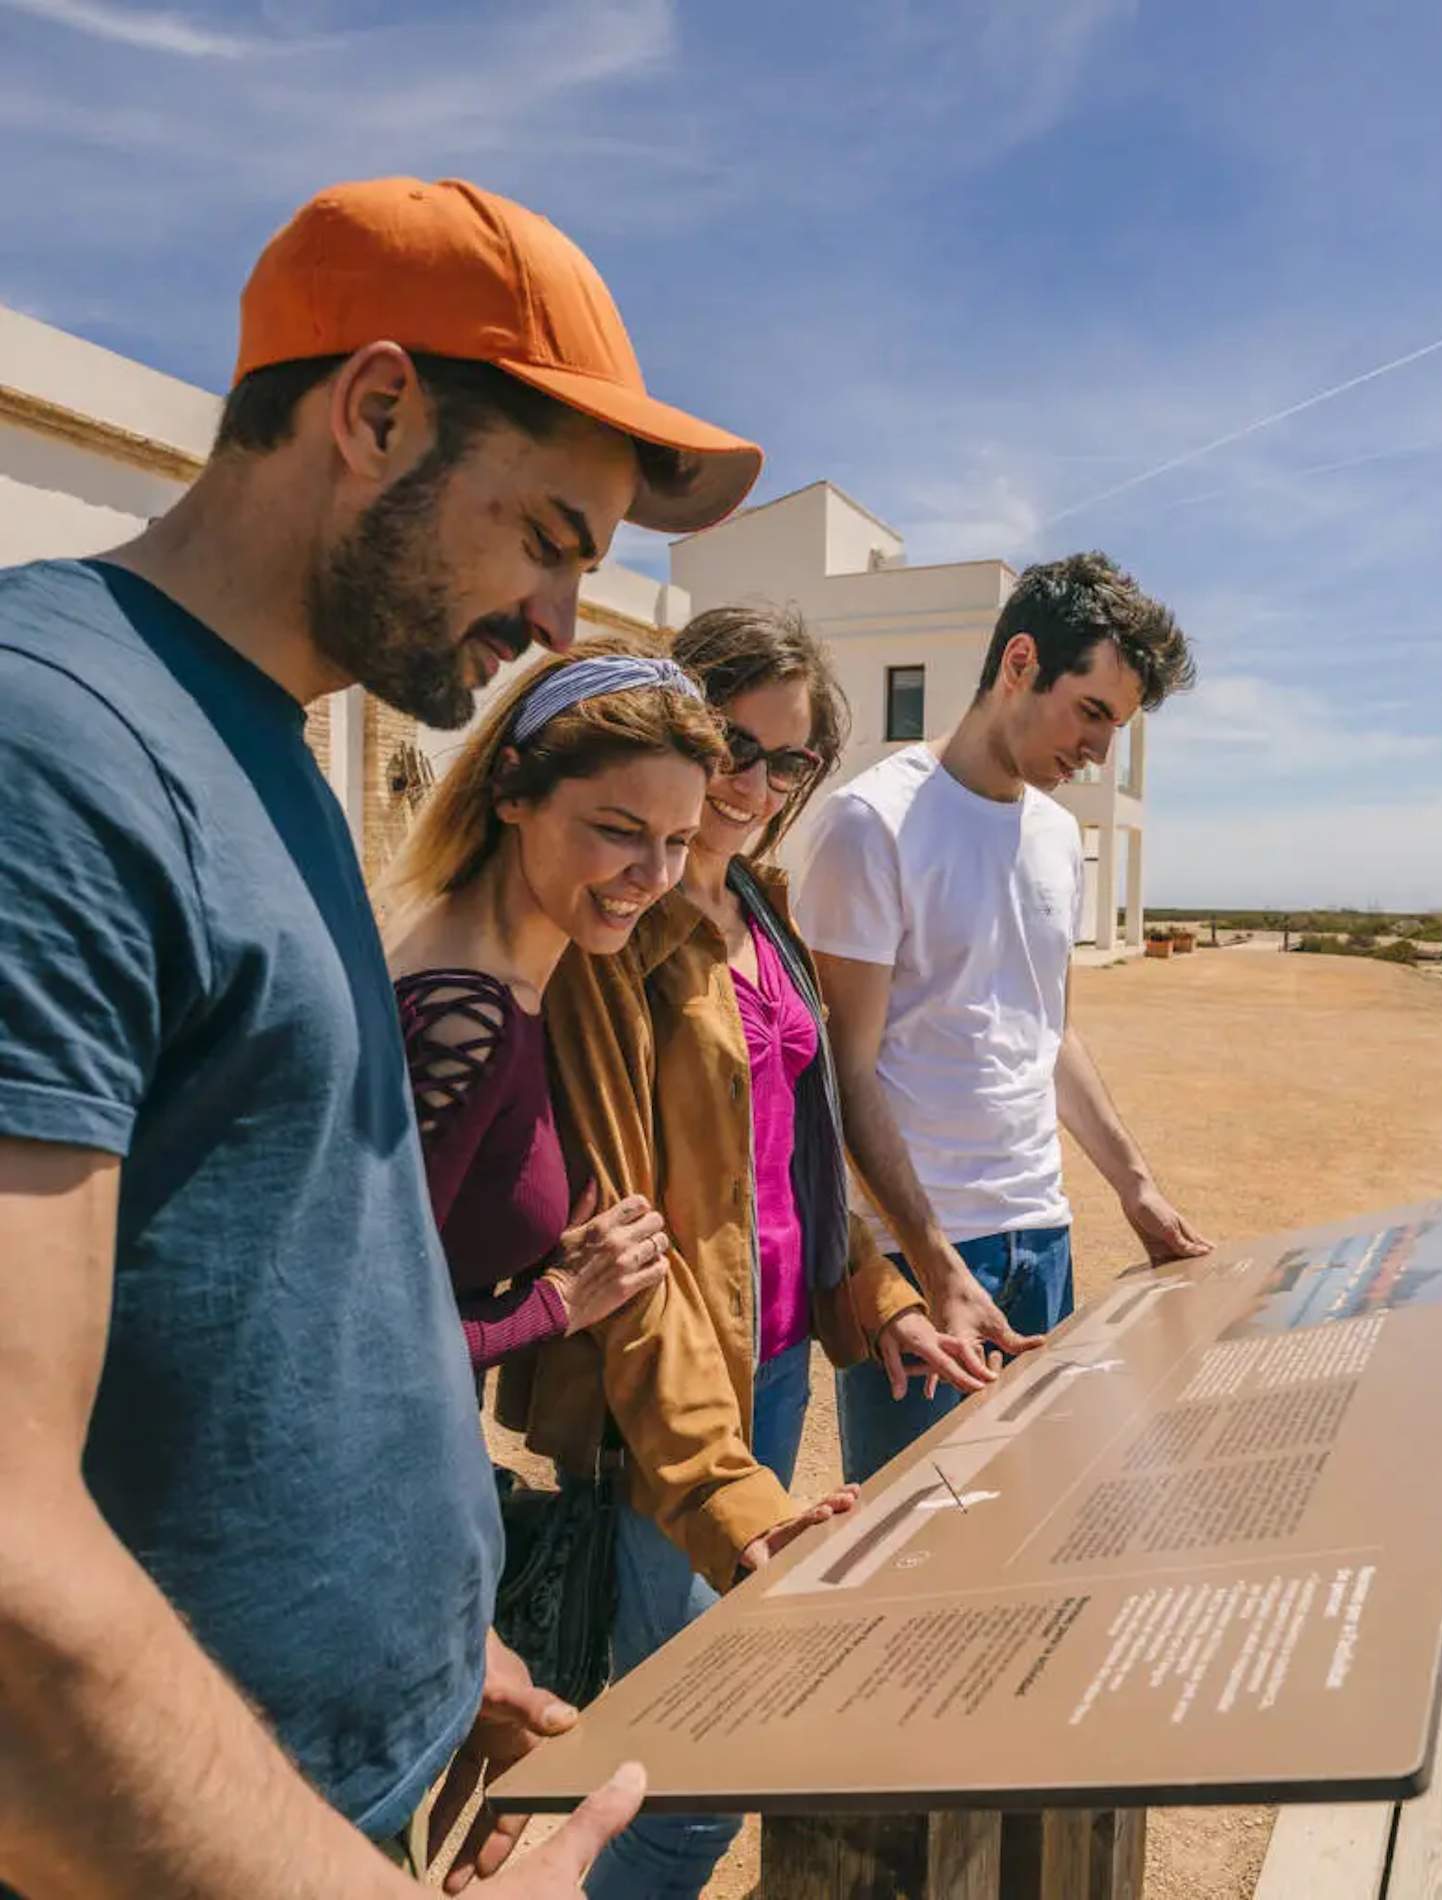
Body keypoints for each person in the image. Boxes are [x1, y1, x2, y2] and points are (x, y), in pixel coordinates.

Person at [0, 175, 763, 1898]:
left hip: (318, 1772)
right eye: (554, 539)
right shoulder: (46, 750)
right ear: (376, 410)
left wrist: (420, 1653)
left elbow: (277, 1286)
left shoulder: (257, 740)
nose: (564, 623)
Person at [541, 605, 981, 1899]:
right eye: (730, 740)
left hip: (776, 1363)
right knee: (685, 1779)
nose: (750, 782)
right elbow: (626, 1239)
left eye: (785, 761)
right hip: (675, 1402)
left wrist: (880, 1299)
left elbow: (799, 1160)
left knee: (687, 1744)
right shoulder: (620, 923)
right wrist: (730, 1496)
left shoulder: (763, 907)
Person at [798, 550, 1212, 1484]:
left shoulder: (1059, 837)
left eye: (1118, 726)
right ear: (1019, 663)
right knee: (914, 1548)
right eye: (1092, 713)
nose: (1100, 751)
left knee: (1033, 1514)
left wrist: (1133, 1186)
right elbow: (844, 1069)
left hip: (1045, 1236)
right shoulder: (871, 824)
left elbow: (1050, 1032)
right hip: (922, 1254)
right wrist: (933, 1260)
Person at [383, 649, 726, 1375]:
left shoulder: (512, 981)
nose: (656, 875)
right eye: (618, 829)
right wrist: (559, 1303)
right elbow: (363, 1335)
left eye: (679, 840)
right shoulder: (463, 1017)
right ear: (512, 788)